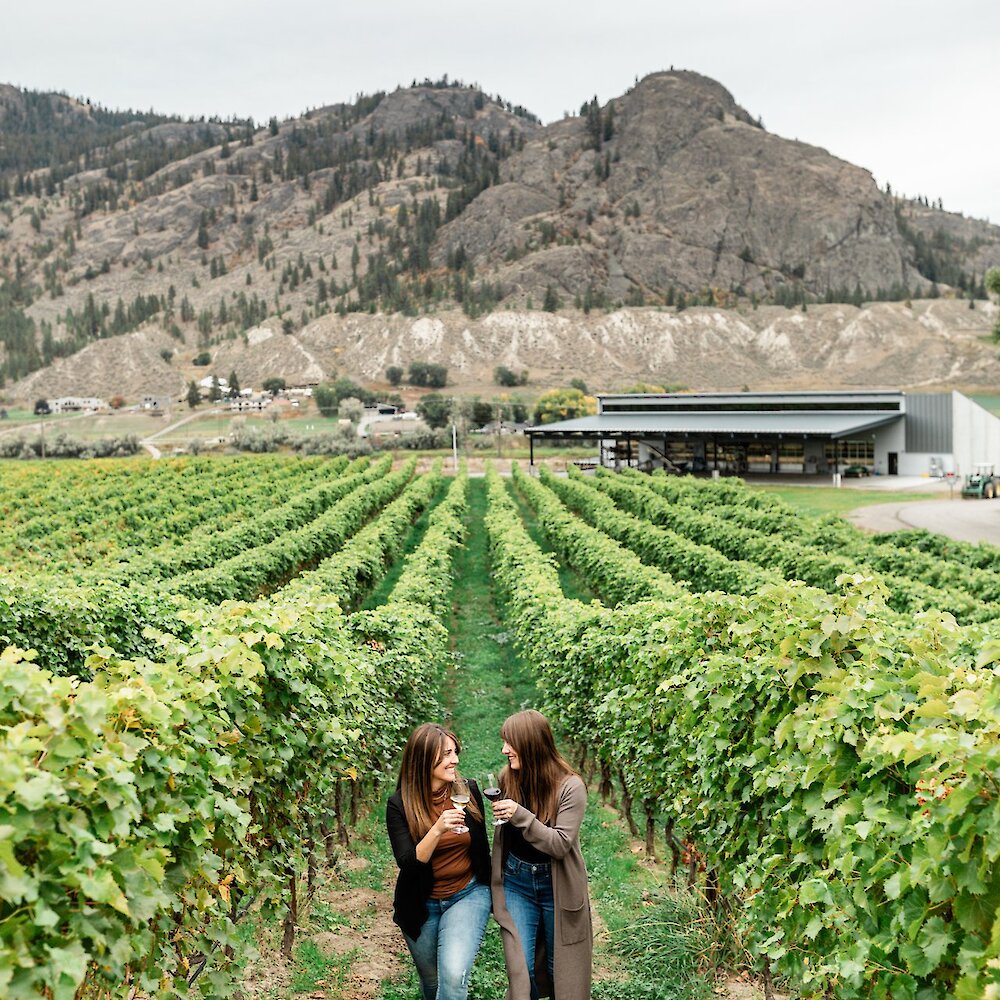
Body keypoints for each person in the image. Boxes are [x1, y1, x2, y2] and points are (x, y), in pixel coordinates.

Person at [490, 710, 592, 1000]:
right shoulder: (507, 778)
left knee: (559, 970)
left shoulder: (571, 787)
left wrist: (521, 816)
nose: (504, 750)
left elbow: (560, 844)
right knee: (521, 970)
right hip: (517, 882)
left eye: (510, 742)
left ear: (532, 744)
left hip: (556, 886)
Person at [386, 723, 492, 1000]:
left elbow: (482, 848)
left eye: (455, 752)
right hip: (420, 903)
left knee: (454, 976)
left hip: (468, 894)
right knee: (432, 982)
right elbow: (409, 865)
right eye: (446, 754)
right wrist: (437, 829)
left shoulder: (466, 790)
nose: (454, 760)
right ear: (423, 758)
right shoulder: (400, 805)